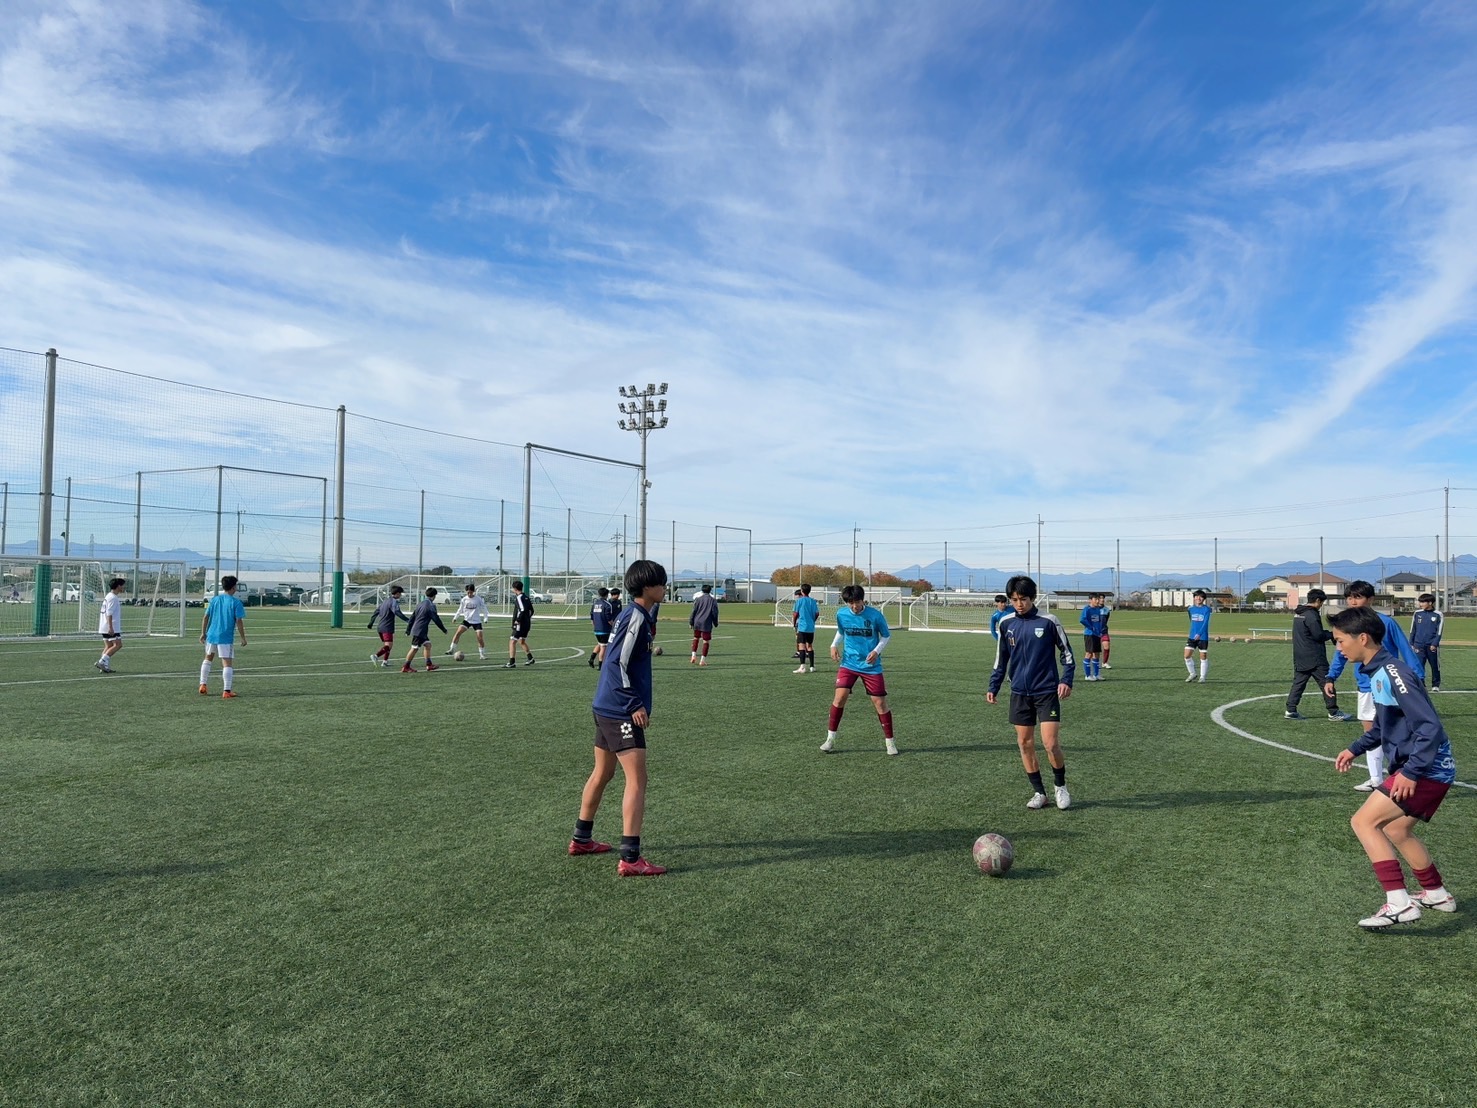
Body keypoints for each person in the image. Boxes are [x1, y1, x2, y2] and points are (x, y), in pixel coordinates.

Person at [1327, 606, 1457, 929]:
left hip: (1427, 768)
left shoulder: (1393, 673)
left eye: (1340, 641)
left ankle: (1399, 903)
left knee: (1363, 822)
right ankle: (1437, 893)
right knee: (1396, 829)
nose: (1338, 648)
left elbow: (1429, 727)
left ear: (1362, 638)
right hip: (1428, 766)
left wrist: (1411, 772)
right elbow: (1384, 727)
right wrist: (1354, 748)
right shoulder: (1378, 671)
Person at [568, 559, 669, 876]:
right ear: (647, 587)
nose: (665, 588)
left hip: (606, 706)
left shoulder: (637, 614)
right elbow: (615, 664)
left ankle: (581, 839)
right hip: (620, 710)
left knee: (603, 772)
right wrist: (634, 704)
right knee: (637, 780)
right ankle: (631, 858)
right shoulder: (634, 617)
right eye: (661, 583)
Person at [1324, 580, 1423, 791]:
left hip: (1388, 685)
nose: (1353, 601)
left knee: (1397, 730)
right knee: (1371, 730)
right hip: (1366, 686)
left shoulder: (1386, 623)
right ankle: (1376, 779)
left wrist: (1418, 676)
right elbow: (1340, 654)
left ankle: (1407, 773)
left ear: (1370, 599)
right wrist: (1331, 677)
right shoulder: (1346, 626)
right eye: (1349, 597)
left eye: (1358, 597)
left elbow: (1405, 649)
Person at [988, 575, 1075, 810]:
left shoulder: (1049, 621)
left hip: (1046, 691)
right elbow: (1001, 658)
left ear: (1033, 597)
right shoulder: (1006, 623)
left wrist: (1066, 680)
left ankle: (1060, 786)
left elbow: (1067, 654)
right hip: (1019, 692)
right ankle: (1039, 793)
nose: (1019, 604)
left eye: (1023, 599)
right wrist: (994, 685)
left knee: (1050, 744)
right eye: (1014, 599)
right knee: (1024, 743)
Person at [820, 584, 898, 756]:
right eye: (851, 602)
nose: (854, 606)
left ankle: (890, 742)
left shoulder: (875, 615)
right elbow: (841, 631)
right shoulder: (841, 614)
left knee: (879, 703)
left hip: (871, 666)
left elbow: (886, 636)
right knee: (839, 698)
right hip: (849, 663)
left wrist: (876, 651)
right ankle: (830, 740)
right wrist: (833, 645)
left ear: (863, 600)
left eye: (857, 602)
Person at [1284, 588, 1349, 721]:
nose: (1321, 606)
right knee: (1327, 682)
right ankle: (1333, 712)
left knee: (1298, 684)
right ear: (1318, 600)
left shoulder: (1299, 614)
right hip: (1315, 657)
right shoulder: (1312, 615)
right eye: (1322, 603)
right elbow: (1318, 635)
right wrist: (1332, 635)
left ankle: (1290, 710)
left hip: (1300, 655)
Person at [199, 575, 247, 698]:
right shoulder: (236, 602)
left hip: (211, 635)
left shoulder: (215, 600)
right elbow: (239, 621)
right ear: (233, 587)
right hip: (225, 637)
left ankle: (203, 684)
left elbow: (206, 617)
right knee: (227, 663)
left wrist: (203, 633)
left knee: (208, 659)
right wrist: (243, 637)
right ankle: (227, 690)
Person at [402, 587, 447, 673]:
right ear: (434, 596)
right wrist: (443, 629)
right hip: (420, 630)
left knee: (428, 645)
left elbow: (412, 617)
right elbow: (436, 619)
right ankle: (405, 667)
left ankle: (429, 665)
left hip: (419, 630)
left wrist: (408, 629)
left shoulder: (420, 604)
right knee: (414, 648)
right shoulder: (431, 605)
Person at [367, 585, 409, 667]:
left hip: (380, 627)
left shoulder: (385, 601)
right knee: (388, 645)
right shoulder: (393, 602)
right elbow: (397, 612)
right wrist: (408, 620)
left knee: (388, 645)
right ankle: (376, 656)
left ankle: (385, 662)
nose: (400, 595)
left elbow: (376, 611)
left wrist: (371, 622)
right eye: (400, 593)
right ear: (397, 593)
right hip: (387, 627)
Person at [1410, 592, 1444, 692]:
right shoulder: (1417, 613)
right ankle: (1421, 684)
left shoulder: (1438, 614)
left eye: (1423, 602)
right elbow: (1413, 629)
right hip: (1418, 644)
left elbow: (1439, 631)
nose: (1420, 604)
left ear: (1430, 603)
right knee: (1419, 665)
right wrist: (1411, 642)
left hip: (1431, 645)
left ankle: (1435, 685)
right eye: (1420, 602)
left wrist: (1435, 643)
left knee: (1434, 665)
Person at [447, 583, 490, 660]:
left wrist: (485, 618)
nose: (469, 594)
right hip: (467, 620)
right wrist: (455, 617)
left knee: (479, 638)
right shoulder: (464, 599)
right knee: (458, 633)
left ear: (474, 591)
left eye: (471, 592)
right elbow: (460, 609)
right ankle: (452, 649)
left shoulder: (478, 599)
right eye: (468, 592)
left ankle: (482, 654)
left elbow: (484, 608)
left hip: (476, 621)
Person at [94, 576, 126, 673]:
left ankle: (104, 667)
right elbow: (109, 613)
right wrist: (110, 627)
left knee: (108, 646)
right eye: (122, 585)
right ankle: (102, 662)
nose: (123, 588)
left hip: (104, 625)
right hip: (111, 626)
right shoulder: (113, 598)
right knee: (118, 644)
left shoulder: (109, 596)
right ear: (118, 586)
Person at [1078, 593, 1108, 681]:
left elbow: (1098, 621)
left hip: (1097, 634)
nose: (1098, 601)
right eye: (1096, 599)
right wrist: (1091, 627)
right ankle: (1087, 675)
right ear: (1090, 600)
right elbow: (1082, 619)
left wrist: (1099, 631)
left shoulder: (1098, 609)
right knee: (1089, 653)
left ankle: (1097, 674)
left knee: (1097, 653)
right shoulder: (1087, 609)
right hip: (1089, 634)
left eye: (1098, 599)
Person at [1184, 589, 1211, 683]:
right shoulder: (1190, 609)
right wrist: (1194, 632)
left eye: (1201, 597)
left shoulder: (1207, 609)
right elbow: (1191, 620)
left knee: (1203, 656)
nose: (1198, 598)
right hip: (1192, 636)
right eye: (1196, 596)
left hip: (1203, 637)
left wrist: (1199, 633)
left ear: (1203, 599)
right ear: (1194, 598)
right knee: (1187, 656)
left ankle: (1202, 677)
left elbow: (1205, 623)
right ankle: (1192, 674)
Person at [792, 583, 821, 674]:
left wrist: (794, 623)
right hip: (810, 627)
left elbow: (795, 613)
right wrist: (812, 620)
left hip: (802, 627)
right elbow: (817, 613)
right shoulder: (813, 601)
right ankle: (812, 666)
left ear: (802, 591)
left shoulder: (799, 601)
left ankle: (802, 667)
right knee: (810, 646)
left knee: (802, 646)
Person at [689, 583, 720, 666]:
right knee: (706, 641)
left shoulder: (698, 599)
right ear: (710, 591)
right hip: (706, 623)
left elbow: (693, 611)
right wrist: (715, 622)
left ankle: (693, 656)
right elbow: (715, 613)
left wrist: (691, 622)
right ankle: (702, 660)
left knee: (696, 638)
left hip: (697, 622)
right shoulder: (713, 600)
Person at [506, 580, 535, 667]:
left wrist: (518, 620)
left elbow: (523, 610)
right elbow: (531, 611)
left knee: (512, 641)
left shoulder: (519, 598)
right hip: (527, 624)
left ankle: (512, 662)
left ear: (515, 589)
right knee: (521, 641)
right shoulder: (526, 597)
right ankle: (530, 658)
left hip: (520, 624)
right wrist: (527, 619)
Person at [589, 586, 614, 668]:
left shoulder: (595, 603)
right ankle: (601, 664)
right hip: (605, 629)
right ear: (607, 595)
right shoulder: (607, 605)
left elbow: (592, 617)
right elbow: (609, 619)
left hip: (597, 629)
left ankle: (592, 658)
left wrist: (595, 626)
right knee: (604, 647)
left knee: (600, 644)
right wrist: (614, 626)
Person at [1099, 602, 1112, 669]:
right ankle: (1095, 663)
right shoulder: (1093, 609)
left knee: (1107, 647)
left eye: (1103, 598)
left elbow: (1106, 620)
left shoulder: (1106, 610)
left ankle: (1104, 663)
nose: (1102, 600)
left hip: (1104, 632)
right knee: (1095, 650)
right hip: (1095, 632)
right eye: (1100, 598)